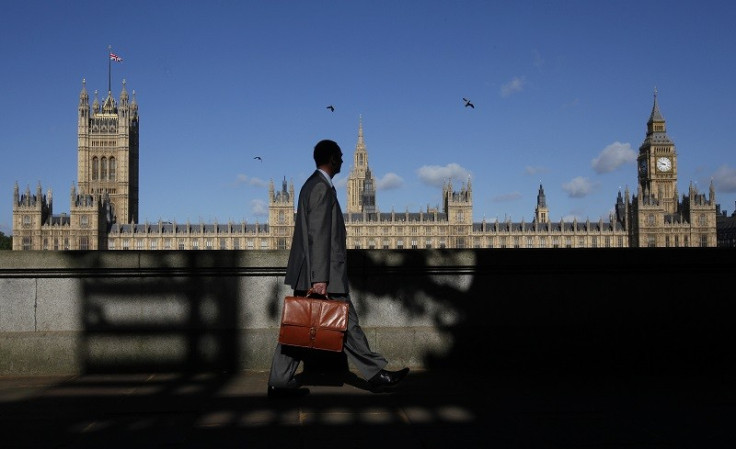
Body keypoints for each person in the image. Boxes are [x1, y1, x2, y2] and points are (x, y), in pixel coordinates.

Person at [268, 139, 409, 399]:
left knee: (298, 329)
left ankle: (278, 383)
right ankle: (377, 374)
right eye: (340, 157)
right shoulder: (321, 188)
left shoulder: (313, 185)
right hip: (323, 275)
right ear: (332, 159)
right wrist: (320, 278)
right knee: (340, 324)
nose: (343, 161)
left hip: (312, 272)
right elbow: (319, 235)